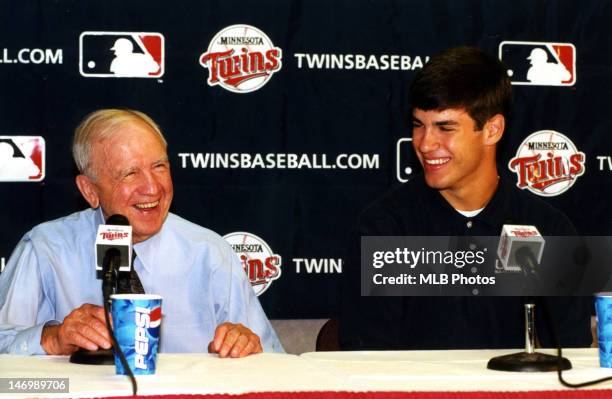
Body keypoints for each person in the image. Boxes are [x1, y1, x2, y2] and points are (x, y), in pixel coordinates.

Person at [339, 46, 591, 350]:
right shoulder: (384, 230)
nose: (425, 143)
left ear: (492, 129)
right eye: (419, 125)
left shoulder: (546, 230)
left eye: (445, 128)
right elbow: (367, 364)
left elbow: (571, 357)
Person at [0, 109, 283, 357]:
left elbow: (272, 360)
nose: (153, 188)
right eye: (130, 173)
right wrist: (52, 337)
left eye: (159, 166)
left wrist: (248, 346)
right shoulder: (45, 248)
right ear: (89, 190)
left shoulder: (209, 252)